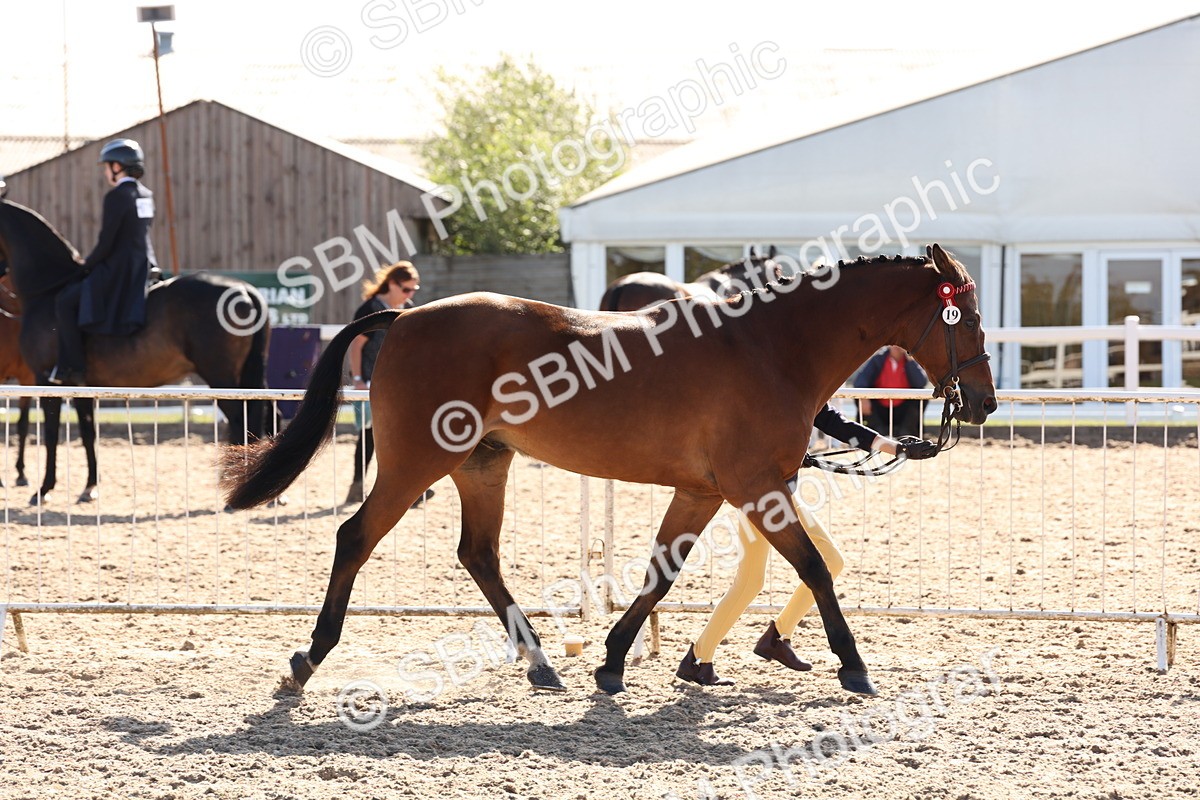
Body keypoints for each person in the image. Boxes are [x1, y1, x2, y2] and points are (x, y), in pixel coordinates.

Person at [676, 402, 939, 686]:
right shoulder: (772, 383)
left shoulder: (800, 389)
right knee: (777, 574)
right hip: (763, 496)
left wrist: (896, 448)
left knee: (771, 576)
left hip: (777, 496)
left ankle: (729, 650)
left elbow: (836, 423)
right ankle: (744, 646)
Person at [49, 139, 158, 386]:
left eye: (107, 166)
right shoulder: (146, 195)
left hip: (119, 269)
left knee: (65, 301)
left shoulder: (117, 196)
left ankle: (73, 368)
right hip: (143, 265)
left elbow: (107, 241)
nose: (105, 171)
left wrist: (86, 264)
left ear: (117, 166)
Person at [344, 262, 434, 508]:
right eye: (406, 289)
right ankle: (356, 484)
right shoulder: (370, 308)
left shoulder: (408, 309)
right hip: (371, 381)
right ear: (392, 284)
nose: (410, 295)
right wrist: (358, 379)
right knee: (369, 436)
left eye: (414, 289)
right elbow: (357, 345)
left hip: (401, 385)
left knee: (408, 434)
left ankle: (415, 489)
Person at [854, 345, 929, 438]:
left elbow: (920, 382)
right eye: (894, 343)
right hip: (880, 408)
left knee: (921, 397)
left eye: (900, 344)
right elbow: (860, 381)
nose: (897, 346)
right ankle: (877, 434)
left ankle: (906, 434)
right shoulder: (878, 359)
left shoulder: (910, 360)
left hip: (903, 410)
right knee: (860, 398)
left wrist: (911, 361)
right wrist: (863, 398)